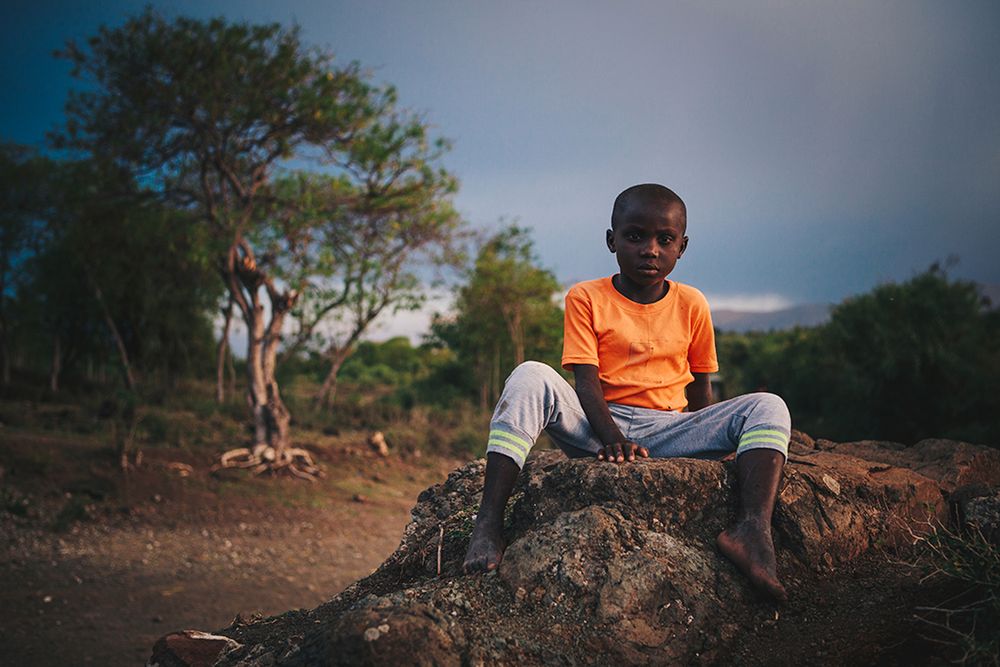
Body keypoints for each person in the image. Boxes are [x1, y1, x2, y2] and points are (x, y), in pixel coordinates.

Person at [462, 183, 790, 602]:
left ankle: (752, 529)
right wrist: (613, 439)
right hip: (596, 426)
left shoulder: (692, 303)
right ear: (611, 240)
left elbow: (701, 386)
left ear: (682, 247)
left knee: (768, 406)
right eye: (635, 236)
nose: (650, 250)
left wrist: (712, 438)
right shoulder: (586, 297)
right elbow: (586, 382)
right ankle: (488, 523)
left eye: (664, 239)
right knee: (529, 374)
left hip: (670, 429)